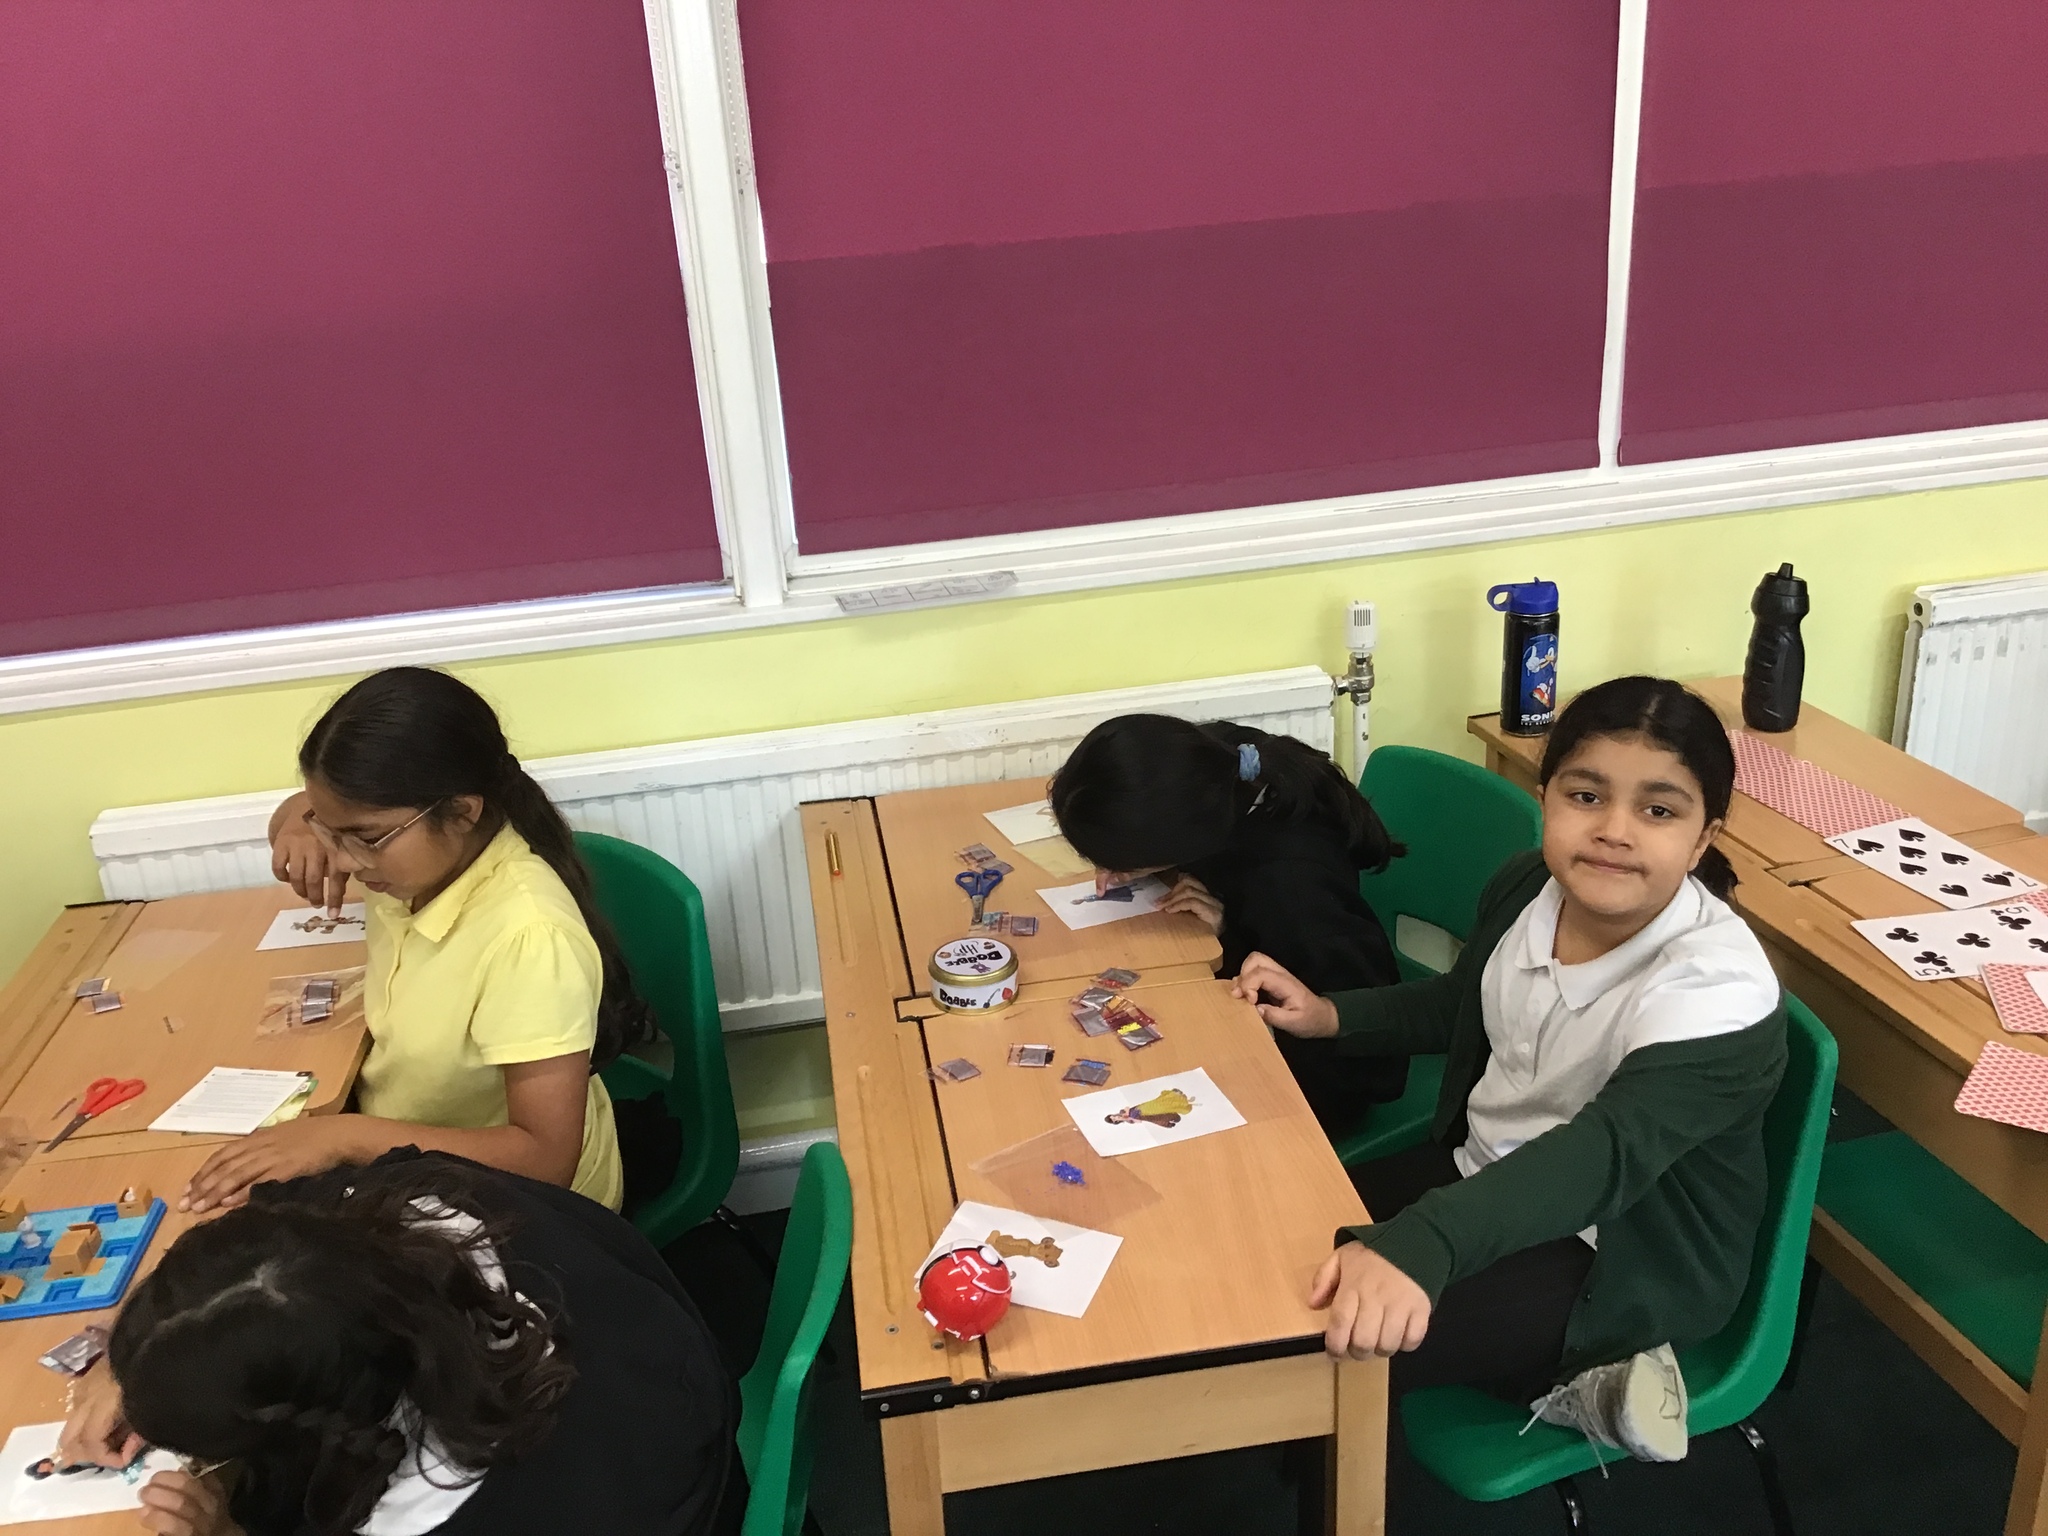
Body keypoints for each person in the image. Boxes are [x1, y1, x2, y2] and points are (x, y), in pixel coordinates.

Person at [1234, 676, 1787, 1464]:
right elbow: (1468, 1001)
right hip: (1486, 1176)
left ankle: (1585, 1364)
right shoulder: (1532, 884)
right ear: (1545, 797)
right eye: (1586, 796)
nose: (1614, 831)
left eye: (1659, 811)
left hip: (1615, 1253)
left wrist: (1423, 1244)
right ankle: (1554, 1383)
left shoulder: (1717, 990)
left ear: (1703, 840)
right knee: (1268, 1251)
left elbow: (1604, 1154)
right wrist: (1331, 1014)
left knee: (1329, 1342)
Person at [60, 1151, 744, 1536]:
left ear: (318, 1426)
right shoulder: (425, 1205)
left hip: (674, 1500)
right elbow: (280, 1214)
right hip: (675, 1386)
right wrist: (138, 1350)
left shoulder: (461, 1509)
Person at [181, 667, 652, 1215]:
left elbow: (546, 1159)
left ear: (462, 812)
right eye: (328, 829)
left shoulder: (529, 939)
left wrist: (346, 1138)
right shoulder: (415, 860)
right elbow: (301, 811)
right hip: (406, 1150)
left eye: (363, 837)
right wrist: (295, 828)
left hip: (520, 1203)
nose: (343, 861)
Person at [1049, 714, 1406, 1128]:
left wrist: (1229, 934)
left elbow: (1368, 1058)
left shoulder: (1288, 886)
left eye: (1121, 862)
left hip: (1320, 1086)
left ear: (1181, 840)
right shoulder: (1216, 761)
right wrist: (1137, 862)